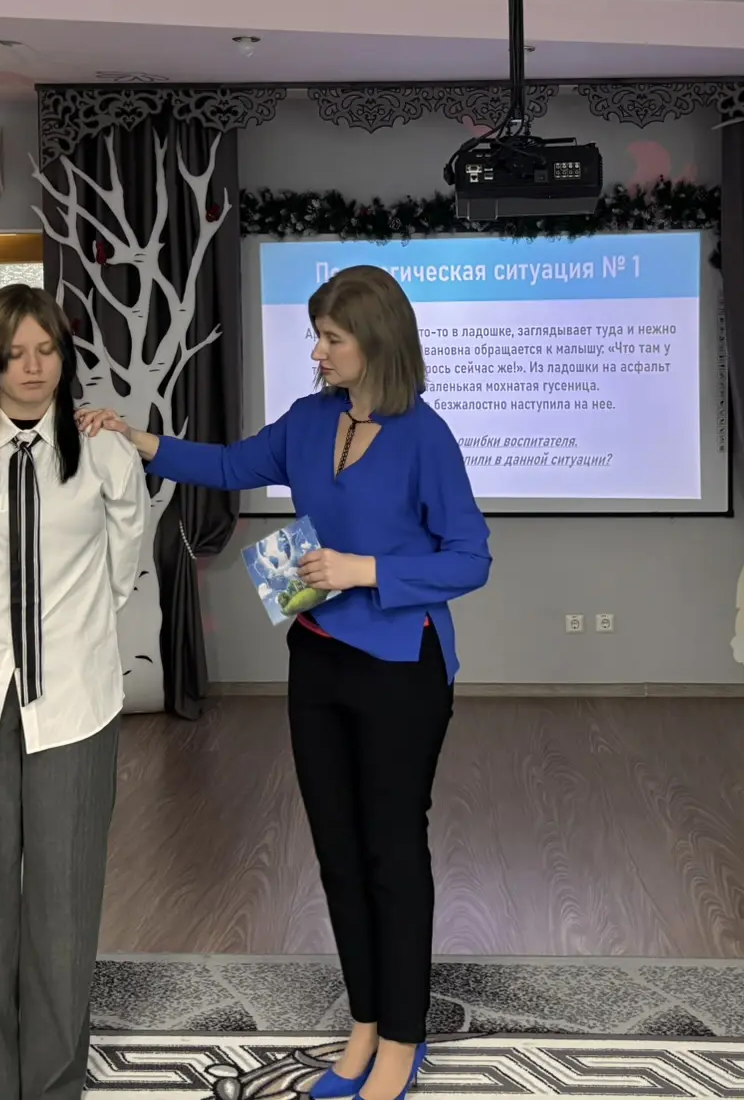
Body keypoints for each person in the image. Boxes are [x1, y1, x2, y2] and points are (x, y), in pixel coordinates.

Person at [79, 264, 491, 1100]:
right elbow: (230, 464)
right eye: (317, 336)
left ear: (376, 341)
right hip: (318, 658)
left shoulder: (427, 437)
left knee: (391, 852)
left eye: (332, 339)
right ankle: (365, 1023)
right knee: (337, 852)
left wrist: (364, 569)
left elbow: (470, 559)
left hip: (402, 667)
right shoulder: (308, 420)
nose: (318, 352)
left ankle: (404, 1038)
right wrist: (136, 439)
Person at [0, 285, 146, 1100]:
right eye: (13, 354)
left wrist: (68, 637)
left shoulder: (105, 454)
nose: (32, 368)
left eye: (46, 350)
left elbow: (121, 566)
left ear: (64, 357)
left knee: (64, 908)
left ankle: (52, 1085)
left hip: (74, 702)